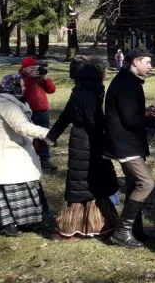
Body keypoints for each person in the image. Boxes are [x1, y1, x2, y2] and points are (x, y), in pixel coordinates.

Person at [46, 60, 119, 240]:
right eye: (104, 71)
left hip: (81, 140)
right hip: (88, 143)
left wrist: (51, 136)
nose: (106, 74)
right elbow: (92, 121)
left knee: (84, 183)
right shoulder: (90, 94)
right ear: (97, 74)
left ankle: (87, 224)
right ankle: (83, 225)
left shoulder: (80, 90)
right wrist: (110, 133)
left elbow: (65, 115)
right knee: (89, 183)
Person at [0, 74, 51, 237]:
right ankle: (10, 224)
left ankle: (24, 221)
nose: (24, 87)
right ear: (12, 86)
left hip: (11, 151)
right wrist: (49, 134)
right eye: (21, 85)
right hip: (8, 154)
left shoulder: (3, 101)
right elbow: (22, 126)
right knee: (11, 187)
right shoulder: (5, 103)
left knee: (20, 185)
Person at [104, 48, 155, 248]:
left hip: (128, 141)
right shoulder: (126, 84)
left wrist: (144, 112)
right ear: (136, 62)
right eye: (148, 62)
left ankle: (135, 231)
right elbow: (130, 119)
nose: (151, 66)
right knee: (146, 184)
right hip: (125, 144)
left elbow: (129, 113)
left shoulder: (128, 80)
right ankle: (122, 232)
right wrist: (150, 118)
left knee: (134, 185)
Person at [20, 57, 58, 171]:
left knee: (44, 135)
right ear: (25, 68)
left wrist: (45, 78)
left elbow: (51, 90)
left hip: (43, 111)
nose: (34, 69)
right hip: (29, 112)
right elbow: (22, 91)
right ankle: (29, 158)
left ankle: (45, 159)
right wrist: (30, 78)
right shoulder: (21, 78)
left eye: (35, 67)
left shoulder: (39, 78)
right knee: (29, 136)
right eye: (31, 68)